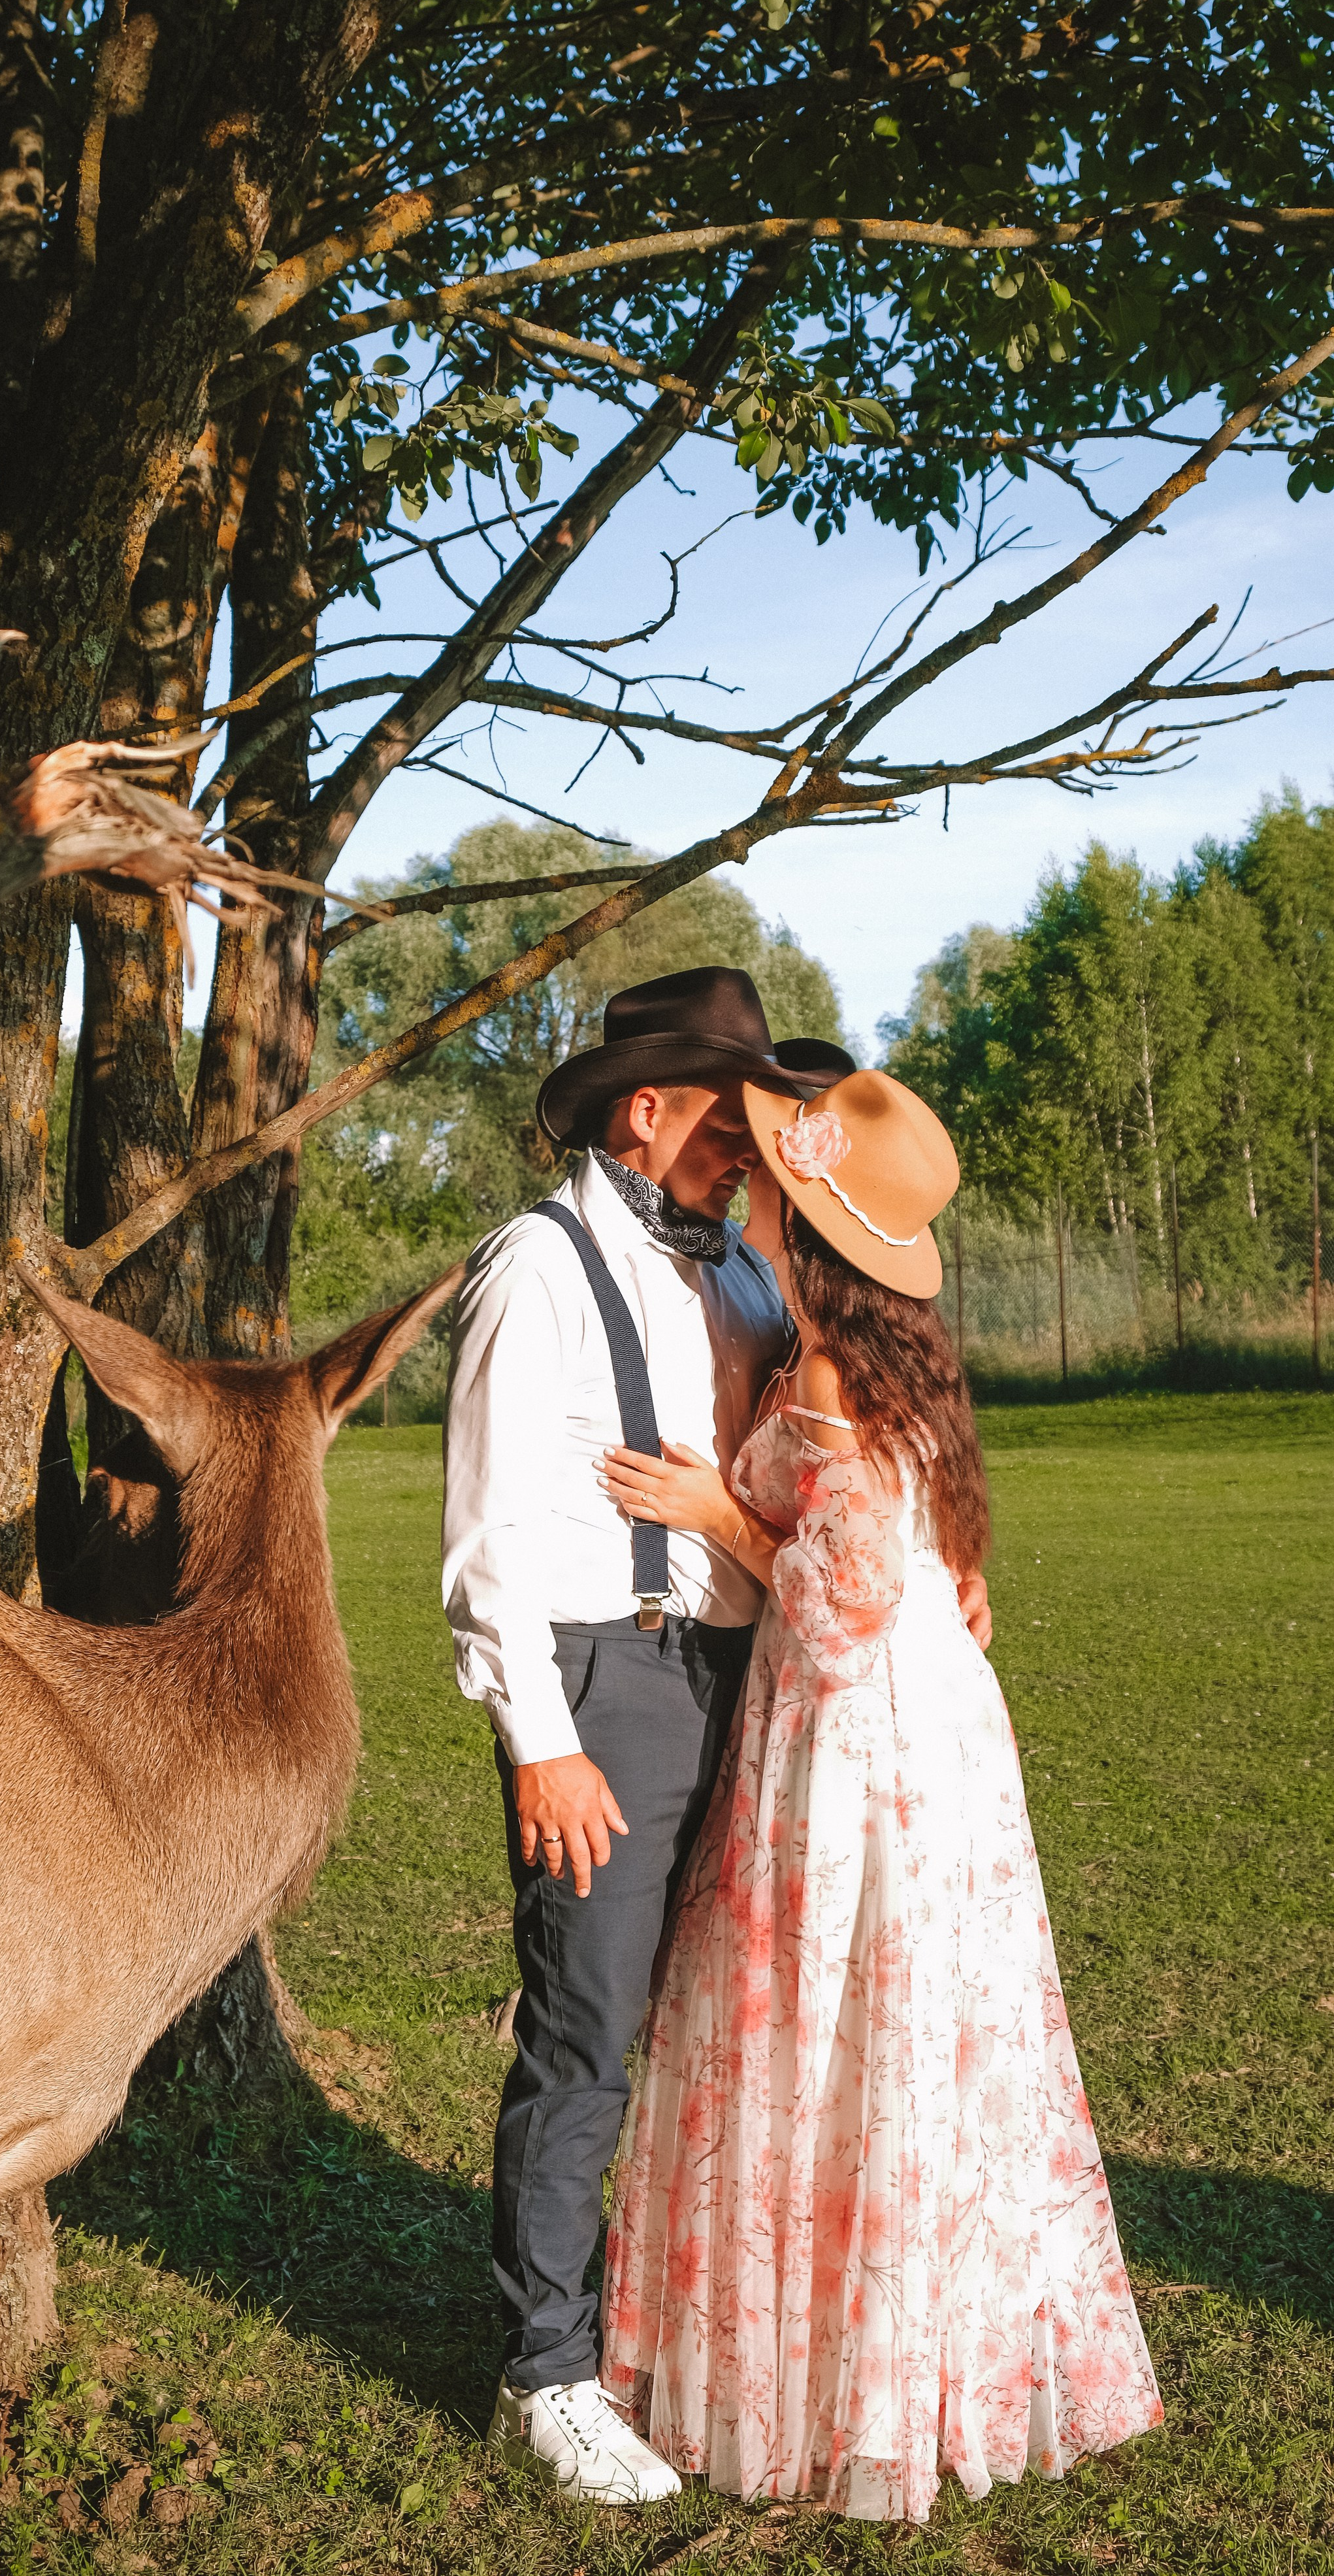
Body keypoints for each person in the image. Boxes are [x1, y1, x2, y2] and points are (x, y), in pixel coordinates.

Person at [442, 970, 992, 2505]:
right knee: (584, 2027)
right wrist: (540, 1740)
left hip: (762, 1689)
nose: (742, 1151)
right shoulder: (535, 1268)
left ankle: (659, 2320)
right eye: (722, 1119)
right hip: (606, 1684)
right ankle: (544, 2368)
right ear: (646, 1106)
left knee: (714, 2026)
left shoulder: (748, 1281)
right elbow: (484, 1533)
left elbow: (840, 1478)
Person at [596, 1066, 1162, 2517]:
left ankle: (859, 2372)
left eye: (774, 1176)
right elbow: (897, 1555)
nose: (753, 1182)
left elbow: (846, 1607)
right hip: (906, 1717)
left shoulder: (837, 1372)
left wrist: (714, 1509)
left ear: (812, 1217)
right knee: (887, 2027)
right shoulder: (853, 1350)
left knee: (847, 2010)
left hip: (866, 1737)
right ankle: (889, 2349)